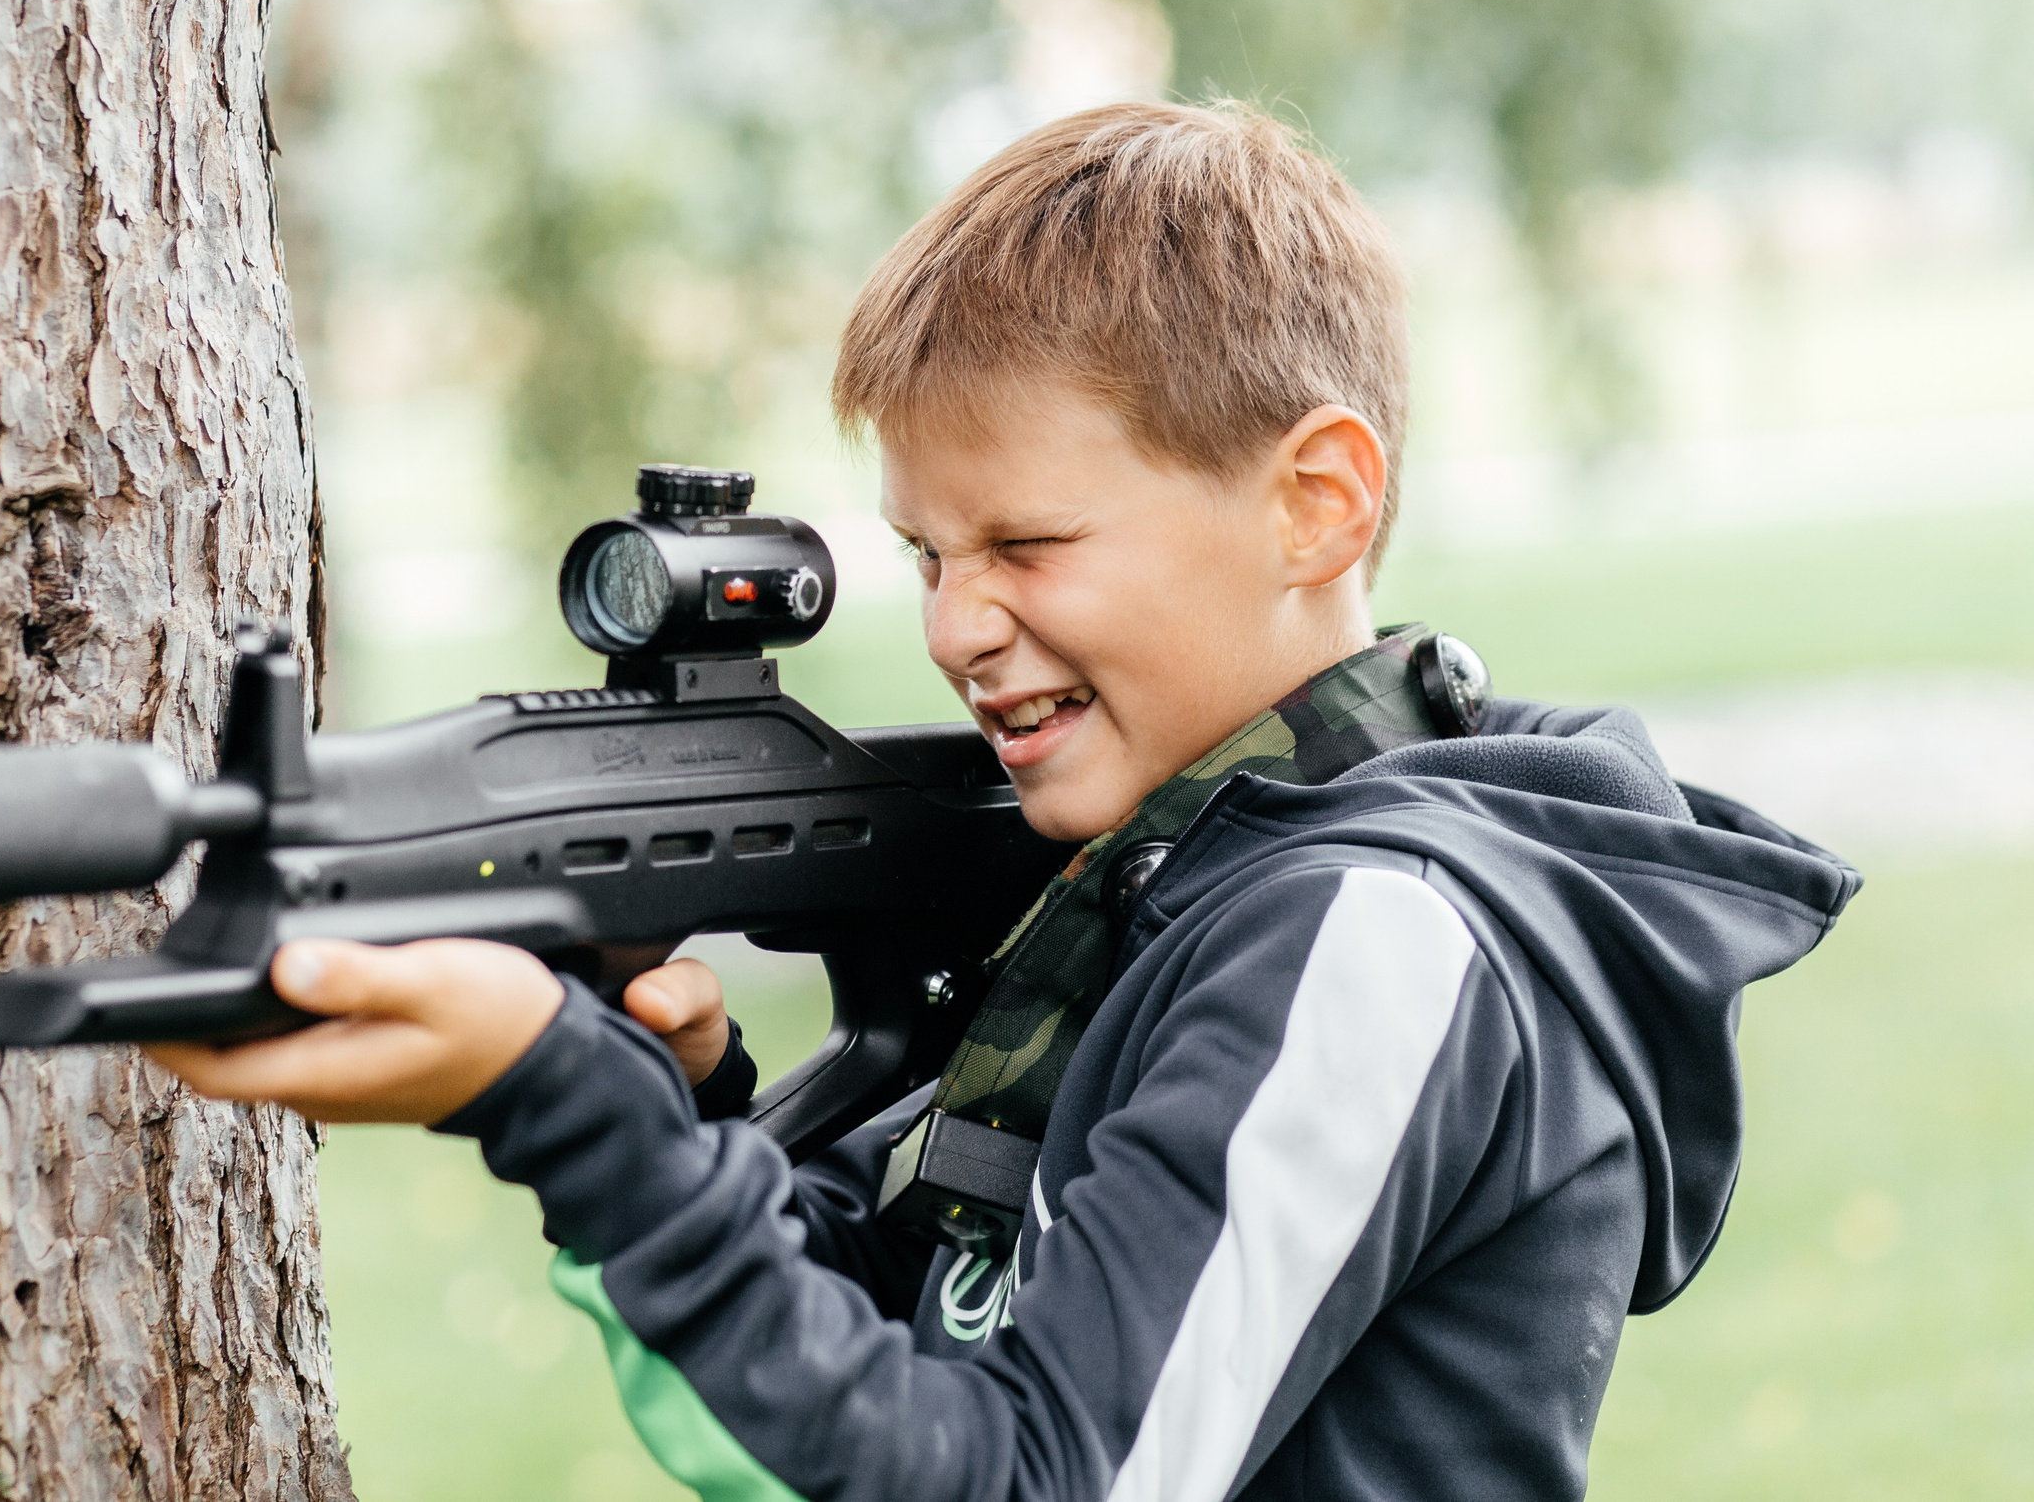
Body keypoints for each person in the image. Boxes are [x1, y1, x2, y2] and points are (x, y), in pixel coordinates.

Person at [151, 102, 1860, 1501]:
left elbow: (1037, 1481)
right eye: (927, 553)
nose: (958, 625)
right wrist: (662, 1109)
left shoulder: (1370, 938)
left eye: (1028, 544)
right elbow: (881, 1394)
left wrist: (560, 1109)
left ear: (1318, 504)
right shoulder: (1174, 869)